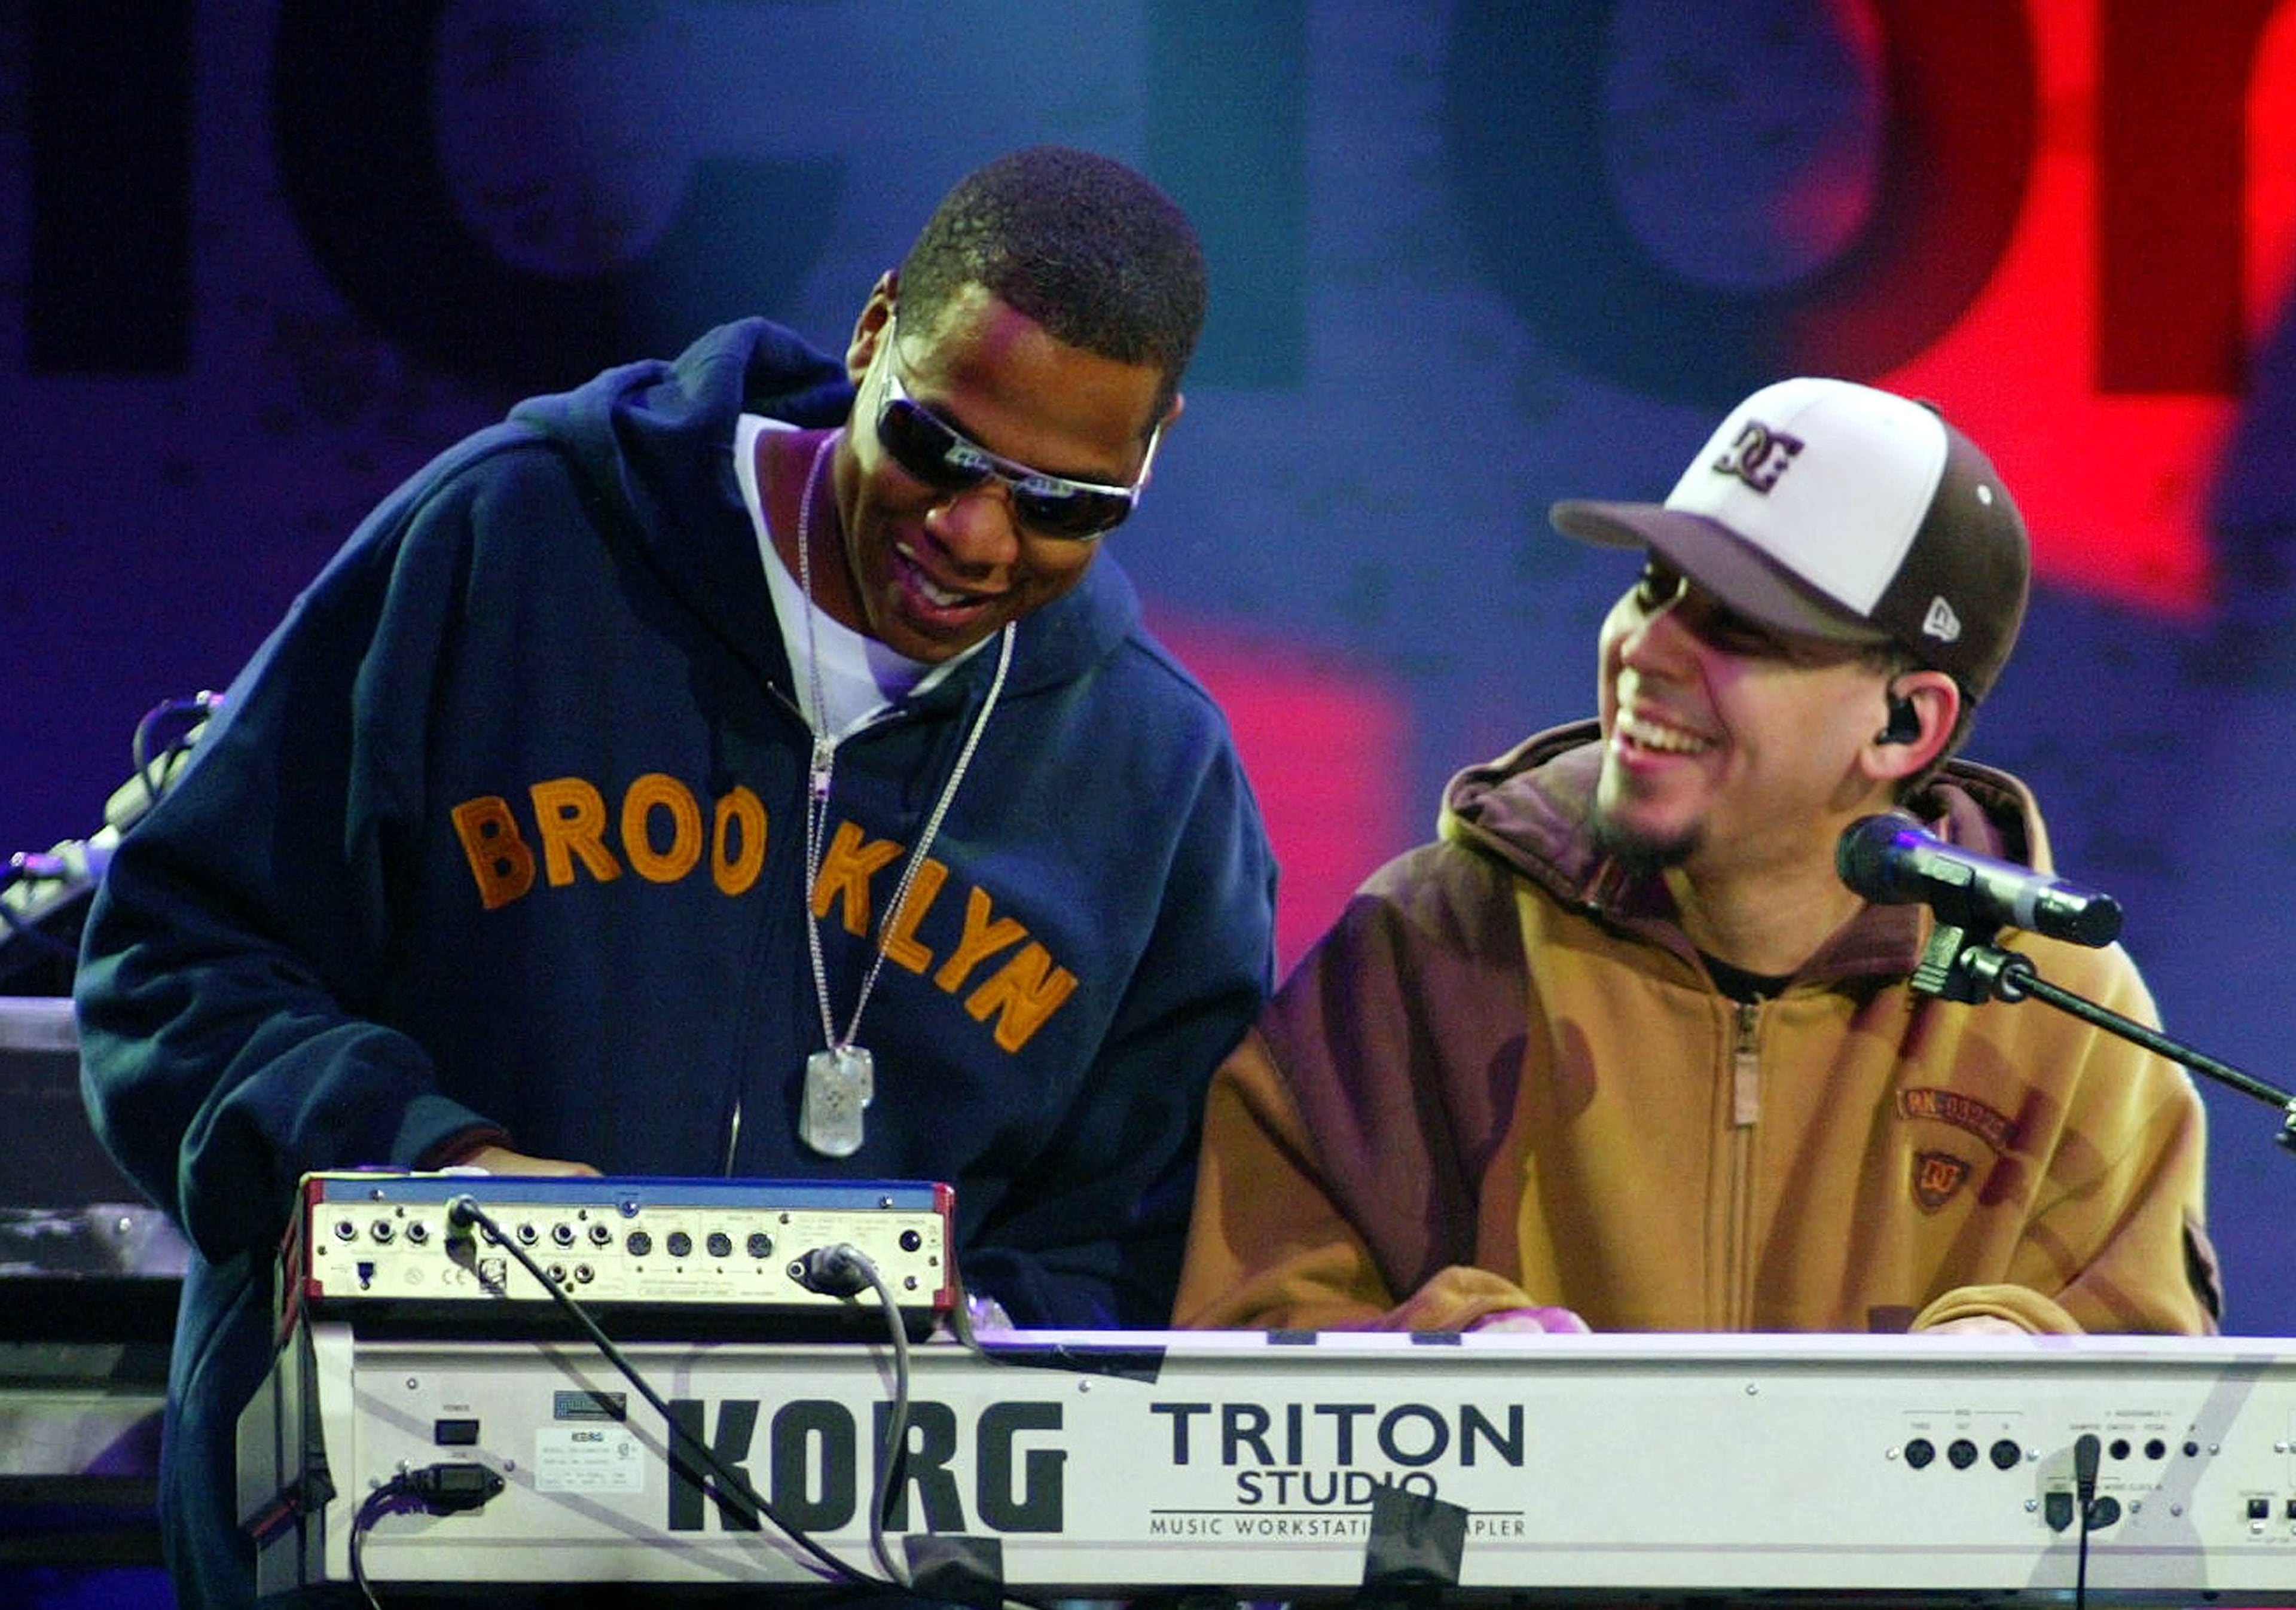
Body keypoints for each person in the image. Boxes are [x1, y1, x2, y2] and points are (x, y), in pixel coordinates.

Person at [76, 145, 1277, 1607]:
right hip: (387, 1544)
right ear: (873, 330)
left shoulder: (1157, 782)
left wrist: (984, 1345)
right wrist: (436, 1164)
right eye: (937, 447)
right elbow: (174, 963)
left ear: (1150, 462)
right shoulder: (516, 539)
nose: (972, 535)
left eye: (1064, 505)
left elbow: (1136, 1248)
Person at [1174, 376, 2220, 1338]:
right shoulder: (1433, 942)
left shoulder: (2065, 1014)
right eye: (1653, 586)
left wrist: (2028, 1372)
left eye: (1744, 628)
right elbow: (1245, 1330)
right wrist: (1447, 1366)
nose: (1648, 647)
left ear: (1904, 724)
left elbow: (2159, 1423)